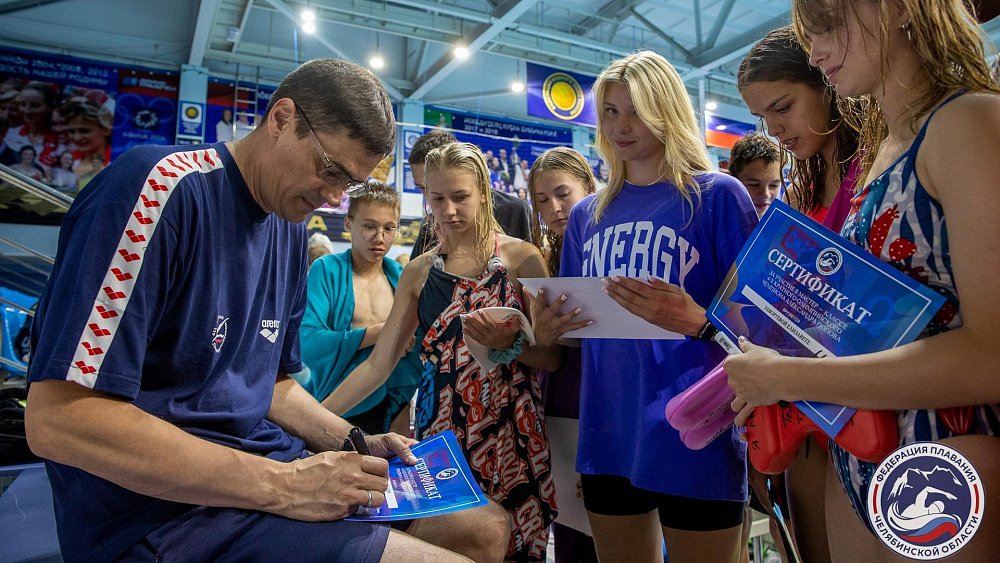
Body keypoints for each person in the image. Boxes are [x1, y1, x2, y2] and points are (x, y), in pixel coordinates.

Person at [25, 58, 509, 563]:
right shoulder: (157, 191)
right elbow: (59, 419)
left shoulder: (289, 228)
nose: (333, 198)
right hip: (164, 511)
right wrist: (285, 485)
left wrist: (352, 439)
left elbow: (270, 384)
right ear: (281, 119)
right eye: (330, 171)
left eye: (351, 185)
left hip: (260, 466)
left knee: (484, 528)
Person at [725, 0, 1000, 560]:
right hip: (863, 455)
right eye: (810, 32)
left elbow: (993, 355)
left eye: (829, 25)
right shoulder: (884, 152)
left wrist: (787, 376)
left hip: (944, 456)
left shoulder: (968, 122)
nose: (817, 48)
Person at [540, 50, 758, 563]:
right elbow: (576, 331)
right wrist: (547, 330)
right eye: (610, 112)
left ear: (667, 108)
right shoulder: (587, 215)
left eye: (635, 109)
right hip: (608, 431)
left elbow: (760, 324)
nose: (621, 125)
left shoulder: (718, 196)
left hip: (695, 426)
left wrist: (699, 321)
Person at [324, 142, 561, 562]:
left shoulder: (522, 260)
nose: (448, 210)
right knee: (447, 547)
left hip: (511, 426)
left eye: (460, 197)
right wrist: (318, 420)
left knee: (516, 544)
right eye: (437, 198)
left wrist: (511, 346)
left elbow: (552, 358)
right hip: (443, 433)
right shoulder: (419, 272)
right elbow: (380, 364)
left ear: (483, 193)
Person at [525, 146, 599, 563]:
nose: (554, 208)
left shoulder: (609, 247)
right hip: (557, 397)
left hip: (599, 394)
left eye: (563, 193)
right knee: (570, 527)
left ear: (589, 188)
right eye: (542, 200)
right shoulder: (541, 258)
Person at [299, 181, 420, 435]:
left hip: (392, 404)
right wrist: (378, 333)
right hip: (337, 404)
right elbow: (308, 340)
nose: (379, 238)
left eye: (389, 228)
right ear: (348, 224)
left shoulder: (401, 277)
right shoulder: (326, 270)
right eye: (369, 227)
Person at [408, 130, 531, 260]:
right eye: (423, 188)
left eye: (460, 197)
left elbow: (530, 274)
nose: (449, 211)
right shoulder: (429, 226)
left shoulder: (515, 211)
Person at [5, 81, 63, 169]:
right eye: (23, 105)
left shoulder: (61, 141)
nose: (27, 111)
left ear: (50, 106)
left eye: (35, 106)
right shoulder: (9, 134)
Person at [726, 134, 782, 218]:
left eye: (774, 185)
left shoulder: (780, 227)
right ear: (732, 180)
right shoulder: (716, 223)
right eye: (754, 184)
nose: (766, 194)